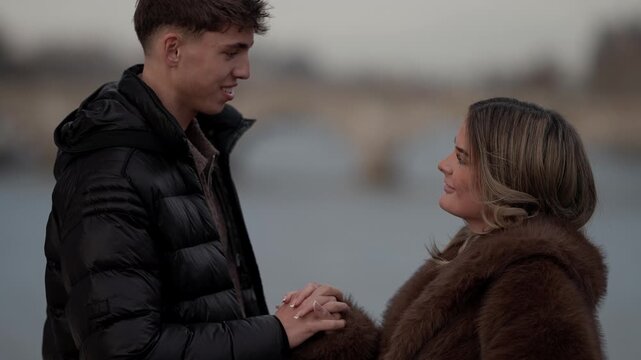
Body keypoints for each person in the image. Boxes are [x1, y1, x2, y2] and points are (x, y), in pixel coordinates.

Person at [42, 1, 348, 359]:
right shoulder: (109, 174)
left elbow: (211, 311)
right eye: (231, 53)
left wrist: (303, 316)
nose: (245, 70)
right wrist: (278, 330)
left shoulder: (199, 145)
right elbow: (126, 351)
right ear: (173, 49)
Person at [288, 97, 608, 360]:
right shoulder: (471, 256)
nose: (443, 164)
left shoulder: (536, 285)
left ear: (506, 178)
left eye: (462, 157)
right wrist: (335, 327)